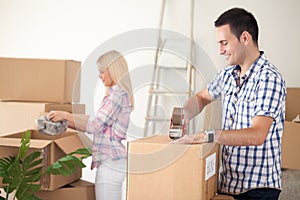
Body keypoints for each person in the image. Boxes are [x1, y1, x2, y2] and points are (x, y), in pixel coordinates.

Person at [174, 8, 286, 200]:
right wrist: (181, 115)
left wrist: (207, 136)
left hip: (258, 189)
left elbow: (257, 135)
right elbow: (202, 98)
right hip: (228, 184)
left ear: (245, 38)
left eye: (224, 43)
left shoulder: (269, 78)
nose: (220, 51)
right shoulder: (227, 75)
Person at [48, 50, 134, 200]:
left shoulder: (117, 95)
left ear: (113, 69)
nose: (99, 76)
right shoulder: (116, 95)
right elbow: (98, 127)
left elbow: (95, 126)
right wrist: (65, 121)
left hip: (110, 163)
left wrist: (66, 115)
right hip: (111, 162)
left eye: (102, 71)